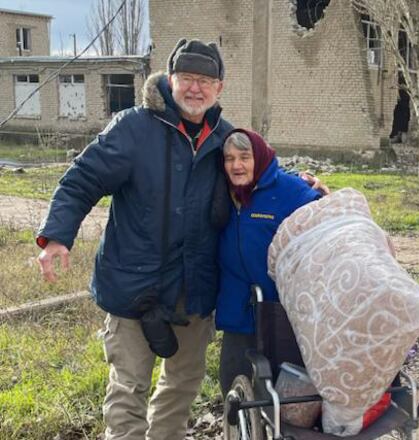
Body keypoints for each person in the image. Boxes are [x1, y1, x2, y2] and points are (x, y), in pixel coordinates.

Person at [34, 39, 325, 440]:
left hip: (193, 288)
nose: (195, 88)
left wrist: (307, 188)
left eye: (205, 80)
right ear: (170, 81)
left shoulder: (223, 139)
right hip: (132, 287)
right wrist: (56, 235)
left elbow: (257, 173)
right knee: (128, 389)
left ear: (219, 88)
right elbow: (82, 179)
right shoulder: (134, 128)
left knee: (182, 385)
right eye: (187, 78)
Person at [215, 128, 321, 395]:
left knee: (282, 394)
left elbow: (324, 220)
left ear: (259, 158)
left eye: (244, 157)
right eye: (229, 159)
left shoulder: (289, 190)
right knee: (232, 386)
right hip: (237, 312)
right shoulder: (219, 192)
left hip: (280, 313)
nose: (236, 165)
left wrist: (323, 194)